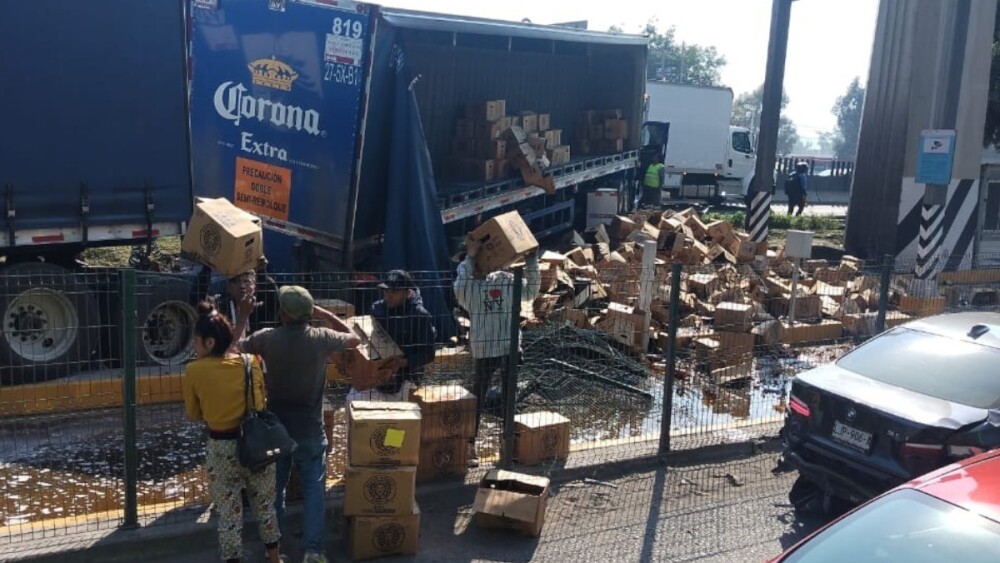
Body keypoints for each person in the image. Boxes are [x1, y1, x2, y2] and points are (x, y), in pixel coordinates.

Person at [234, 286, 360, 563]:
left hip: (276, 432)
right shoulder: (321, 338)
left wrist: (243, 315)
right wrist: (325, 314)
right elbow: (355, 339)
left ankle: (275, 548)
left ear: (282, 313)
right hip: (310, 429)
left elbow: (235, 347)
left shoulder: (267, 338)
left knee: (275, 491)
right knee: (314, 490)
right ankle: (314, 551)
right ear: (308, 313)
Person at [182, 302, 284, 563]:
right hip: (256, 445)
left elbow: (193, 414)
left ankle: (232, 558)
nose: (194, 346)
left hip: (221, 447)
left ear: (209, 343)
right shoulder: (249, 362)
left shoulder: (194, 371)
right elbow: (260, 404)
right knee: (265, 507)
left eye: (196, 341)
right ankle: (275, 558)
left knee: (228, 513)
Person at [454, 242, 540, 467]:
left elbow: (530, 292)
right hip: (491, 349)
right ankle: (475, 445)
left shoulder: (501, 280)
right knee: (483, 397)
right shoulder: (473, 287)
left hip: (504, 347)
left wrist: (531, 260)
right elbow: (459, 287)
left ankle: (504, 445)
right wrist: (469, 259)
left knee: (504, 398)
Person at [345, 269, 436, 403]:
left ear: (407, 292)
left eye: (394, 292)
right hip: (376, 372)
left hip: (406, 377)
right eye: (386, 291)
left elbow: (428, 354)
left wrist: (402, 362)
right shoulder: (377, 309)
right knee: (353, 401)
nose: (388, 296)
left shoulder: (419, 315)